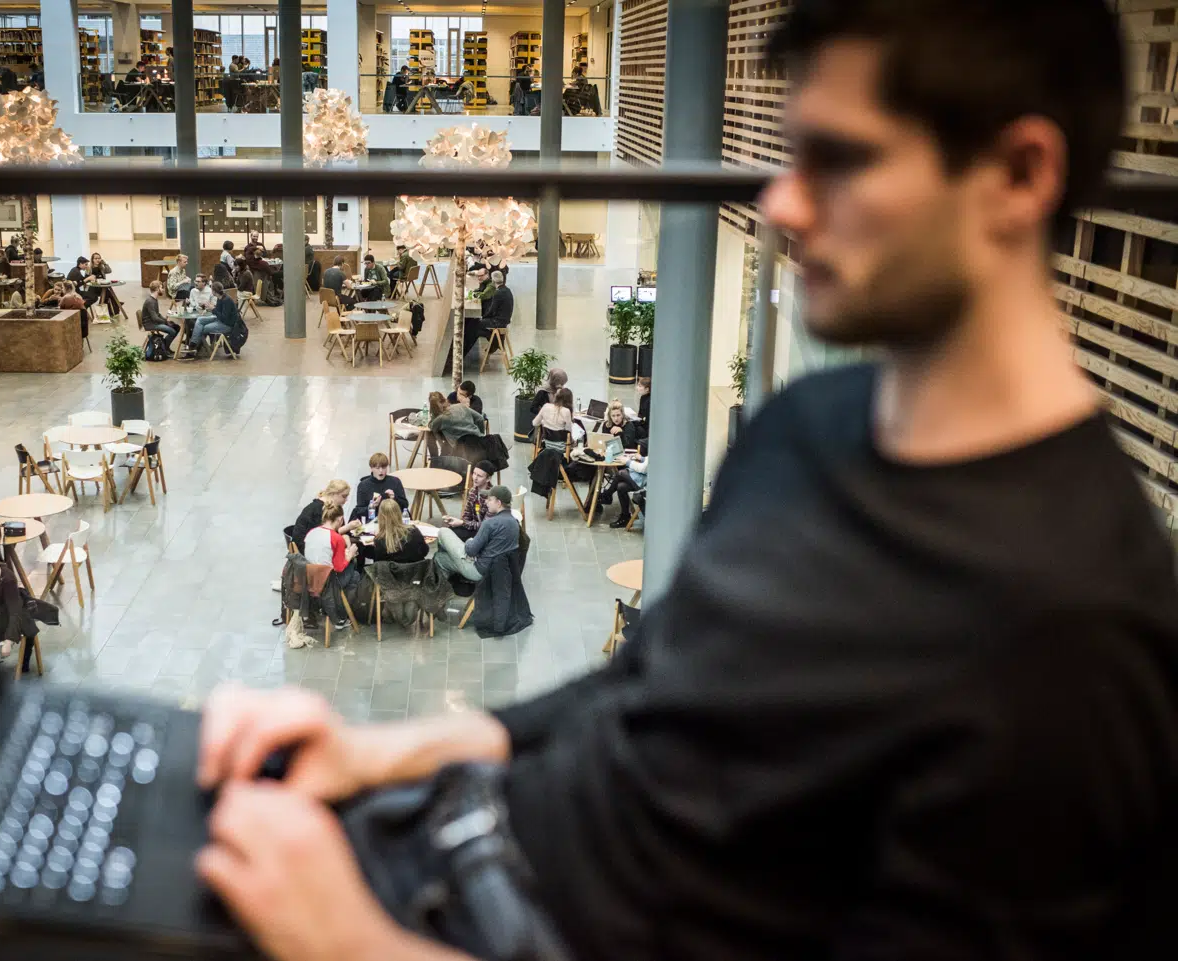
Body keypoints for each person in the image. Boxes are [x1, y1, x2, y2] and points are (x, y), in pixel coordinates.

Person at [175, 5, 1178, 961]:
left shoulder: (1074, 641)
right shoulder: (808, 426)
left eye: (839, 158)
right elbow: (647, 689)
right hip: (466, 839)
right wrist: (379, 754)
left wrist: (351, 941)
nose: (782, 202)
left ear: (1017, 173)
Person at [432, 484, 518, 584]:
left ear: (498, 503)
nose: (486, 503)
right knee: (439, 557)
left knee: (443, 531)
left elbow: (470, 551)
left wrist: (470, 541)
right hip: (499, 572)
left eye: (490, 500)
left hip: (478, 571)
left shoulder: (490, 523)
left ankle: (442, 583)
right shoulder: (514, 523)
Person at [301, 504, 359, 626]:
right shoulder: (336, 538)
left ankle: (332, 608)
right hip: (328, 583)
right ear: (340, 519)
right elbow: (339, 567)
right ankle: (341, 614)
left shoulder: (311, 532)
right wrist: (350, 554)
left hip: (309, 579)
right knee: (355, 574)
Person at [292, 480, 360, 554]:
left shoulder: (331, 508)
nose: (346, 500)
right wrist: (348, 527)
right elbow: (325, 536)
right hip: (307, 550)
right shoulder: (317, 510)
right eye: (344, 496)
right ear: (334, 494)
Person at [441, 459, 494, 542]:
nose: (475, 478)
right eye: (474, 474)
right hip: (473, 528)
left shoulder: (492, 498)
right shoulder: (473, 491)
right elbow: (466, 515)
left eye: (479, 476)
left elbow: (486, 526)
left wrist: (462, 523)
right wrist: (459, 522)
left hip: (486, 533)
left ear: (488, 479)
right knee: (448, 531)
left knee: (449, 536)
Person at [351, 453, 409, 522]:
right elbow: (359, 511)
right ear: (371, 469)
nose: (381, 471)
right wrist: (372, 506)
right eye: (377, 468)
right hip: (373, 521)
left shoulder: (395, 481)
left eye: (384, 468)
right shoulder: (363, 485)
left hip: (393, 520)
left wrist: (394, 498)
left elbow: (405, 505)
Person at [369, 498, 428, 564]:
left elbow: (379, 563)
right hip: (416, 572)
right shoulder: (414, 531)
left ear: (381, 517)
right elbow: (424, 551)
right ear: (399, 513)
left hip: (392, 573)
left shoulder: (379, 540)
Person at [427, 391, 486, 457]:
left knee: (429, 435)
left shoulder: (441, 418)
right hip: (478, 440)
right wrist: (481, 435)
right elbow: (480, 418)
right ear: (444, 399)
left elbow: (431, 426)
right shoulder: (461, 406)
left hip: (462, 449)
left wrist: (433, 414)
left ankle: (434, 460)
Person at [189, 284, 242, 355]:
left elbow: (224, 318)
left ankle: (194, 348)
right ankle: (193, 343)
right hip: (220, 320)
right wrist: (209, 308)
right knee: (200, 319)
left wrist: (213, 309)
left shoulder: (227, 300)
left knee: (201, 328)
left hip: (227, 325)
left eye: (211, 290)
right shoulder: (220, 298)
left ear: (214, 291)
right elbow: (218, 311)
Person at [139, 280, 178, 354]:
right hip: (150, 324)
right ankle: (165, 349)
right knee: (172, 331)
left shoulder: (154, 299)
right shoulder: (150, 301)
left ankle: (165, 347)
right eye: (161, 288)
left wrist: (166, 321)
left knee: (176, 327)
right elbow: (155, 318)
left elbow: (158, 314)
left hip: (153, 322)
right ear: (157, 289)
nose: (163, 290)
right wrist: (166, 323)